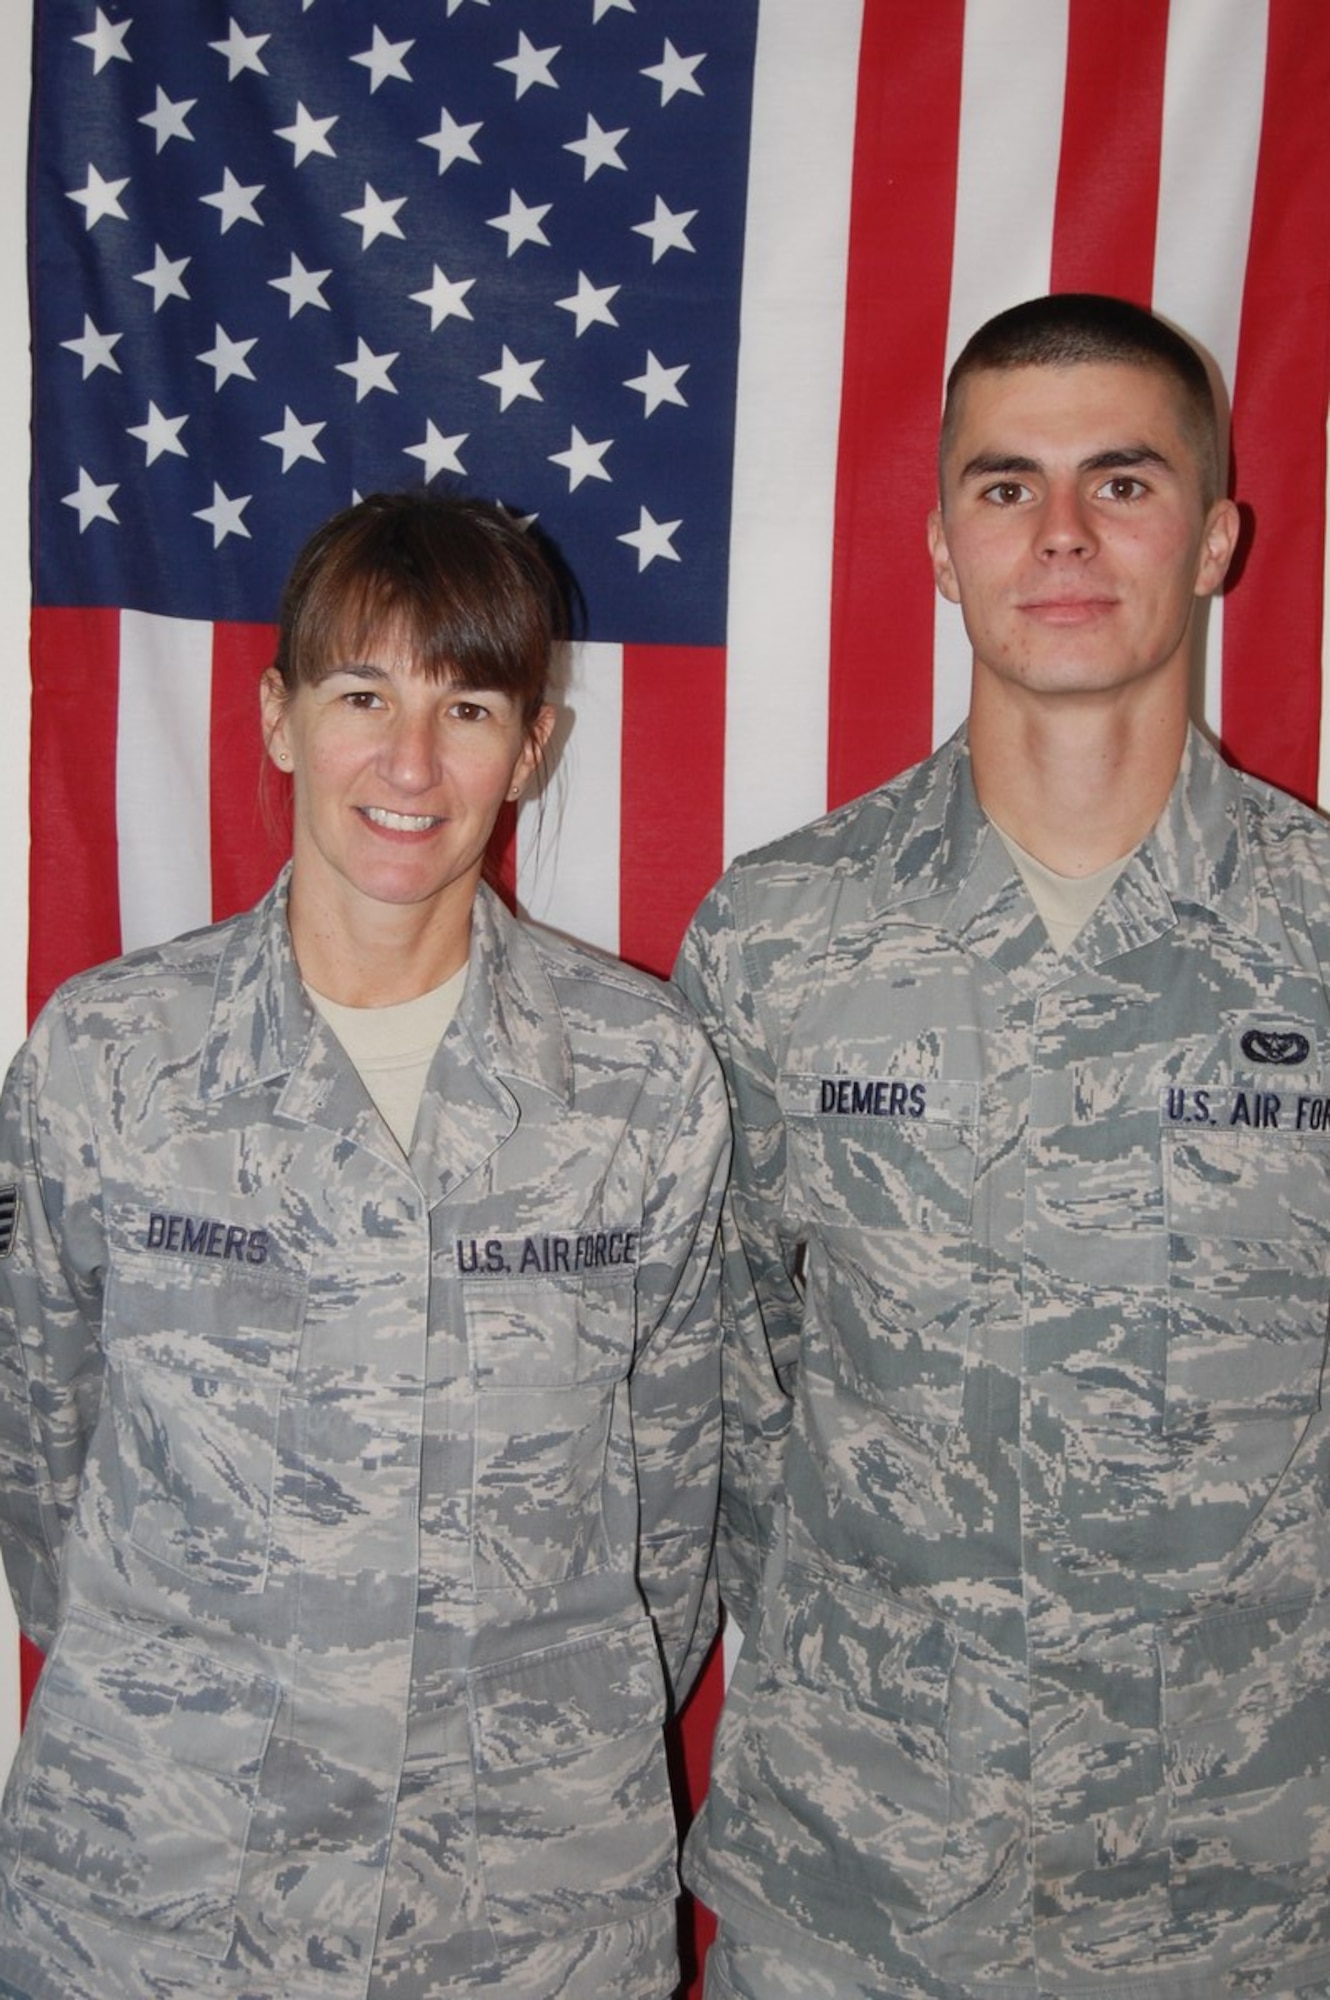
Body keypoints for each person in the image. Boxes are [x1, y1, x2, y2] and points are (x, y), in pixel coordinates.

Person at [677, 294, 1330, 1999]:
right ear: (940, 547)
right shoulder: (776, 939)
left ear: (1212, 539)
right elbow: (716, 1388)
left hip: (1256, 1899)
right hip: (865, 1892)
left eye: (1120, 483)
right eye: (1002, 486)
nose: (1057, 535)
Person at [0, 491, 729, 2000]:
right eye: (360, 695)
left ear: (533, 745)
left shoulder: (639, 1077)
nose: (409, 763)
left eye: (466, 705)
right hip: (165, 1891)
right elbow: (35, 1449)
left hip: (523, 1906)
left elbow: (682, 1500)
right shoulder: (108, 1061)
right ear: (277, 720)